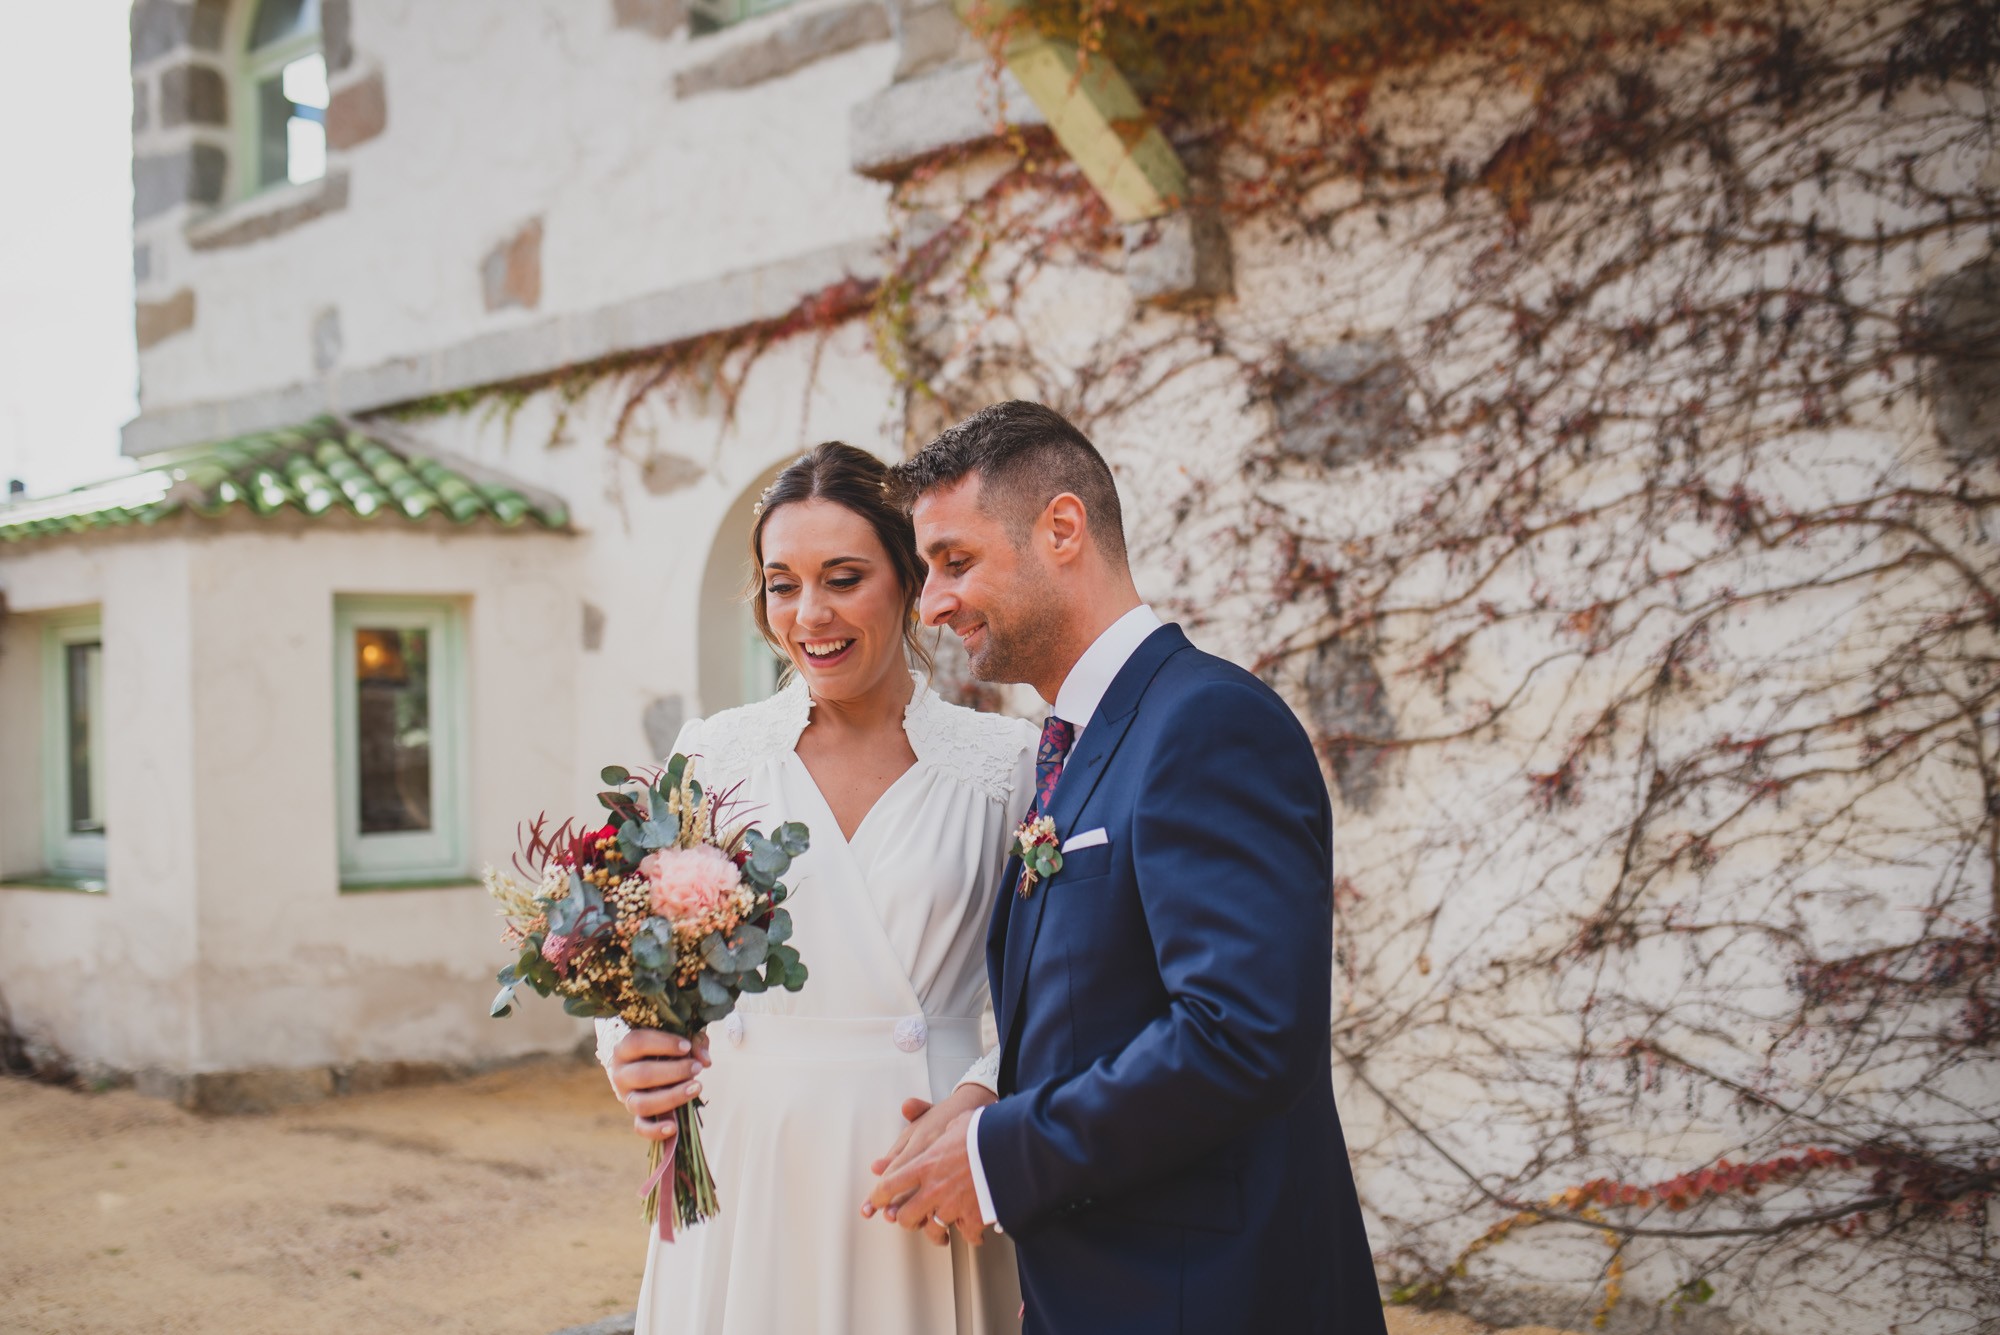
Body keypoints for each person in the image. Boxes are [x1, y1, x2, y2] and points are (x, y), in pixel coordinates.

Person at [863, 401, 1389, 1334]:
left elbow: (1242, 1033)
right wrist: (988, 1092)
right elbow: (1101, 1005)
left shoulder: (1207, 722)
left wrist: (997, 1156)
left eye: (955, 560)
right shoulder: (1073, 744)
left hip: (1209, 1297)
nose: (932, 602)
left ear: (1062, 528)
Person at [596, 441, 1036, 1334]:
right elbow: (641, 957)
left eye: (843, 578)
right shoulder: (714, 754)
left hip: (924, 1157)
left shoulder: (1007, 766)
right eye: (781, 584)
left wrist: (987, 1100)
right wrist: (628, 1043)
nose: (809, 615)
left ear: (908, 580)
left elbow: (1053, 985)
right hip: (748, 1159)